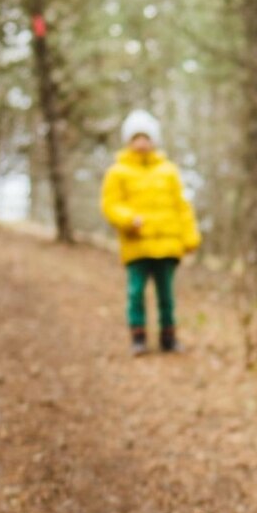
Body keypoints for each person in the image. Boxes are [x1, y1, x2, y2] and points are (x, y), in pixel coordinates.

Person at [99, 109, 201, 354]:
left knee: (166, 295)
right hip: (137, 244)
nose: (142, 142)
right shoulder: (118, 171)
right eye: (137, 137)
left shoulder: (169, 171)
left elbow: (182, 207)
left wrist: (190, 237)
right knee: (135, 293)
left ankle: (168, 337)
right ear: (129, 141)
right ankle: (138, 337)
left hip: (167, 246)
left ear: (154, 140)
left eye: (146, 137)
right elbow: (110, 204)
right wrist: (127, 219)